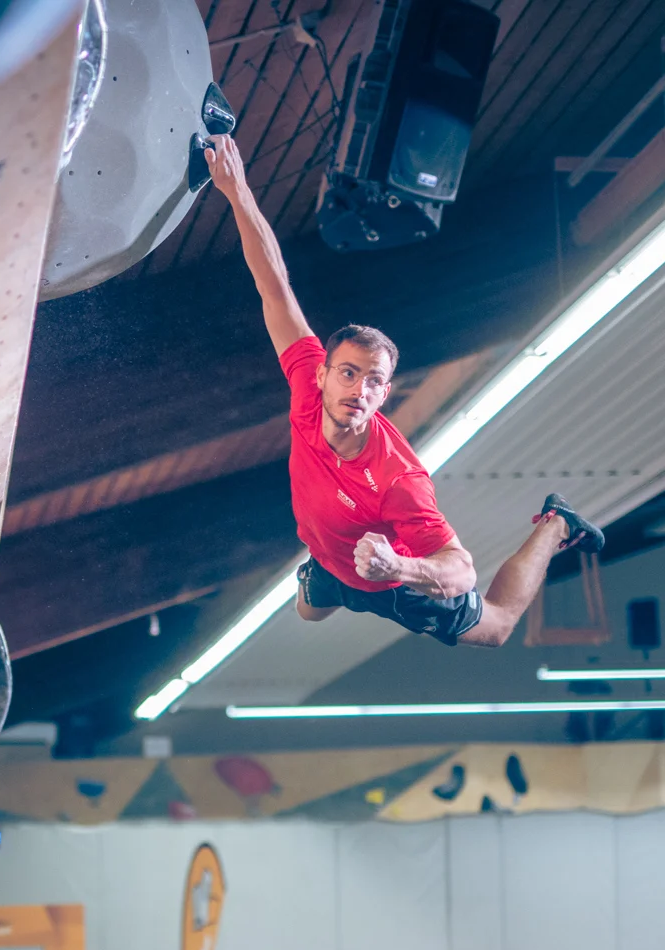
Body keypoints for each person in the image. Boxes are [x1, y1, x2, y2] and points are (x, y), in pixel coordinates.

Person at [201, 133, 606, 650]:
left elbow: (461, 570)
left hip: (393, 582)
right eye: (348, 373)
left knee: (498, 628)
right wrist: (236, 192)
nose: (359, 389)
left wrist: (401, 565)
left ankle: (556, 523)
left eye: (374, 382)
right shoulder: (306, 381)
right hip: (332, 561)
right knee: (309, 611)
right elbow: (273, 283)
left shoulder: (398, 478)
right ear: (323, 374)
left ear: (384, 393)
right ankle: (324, 574)